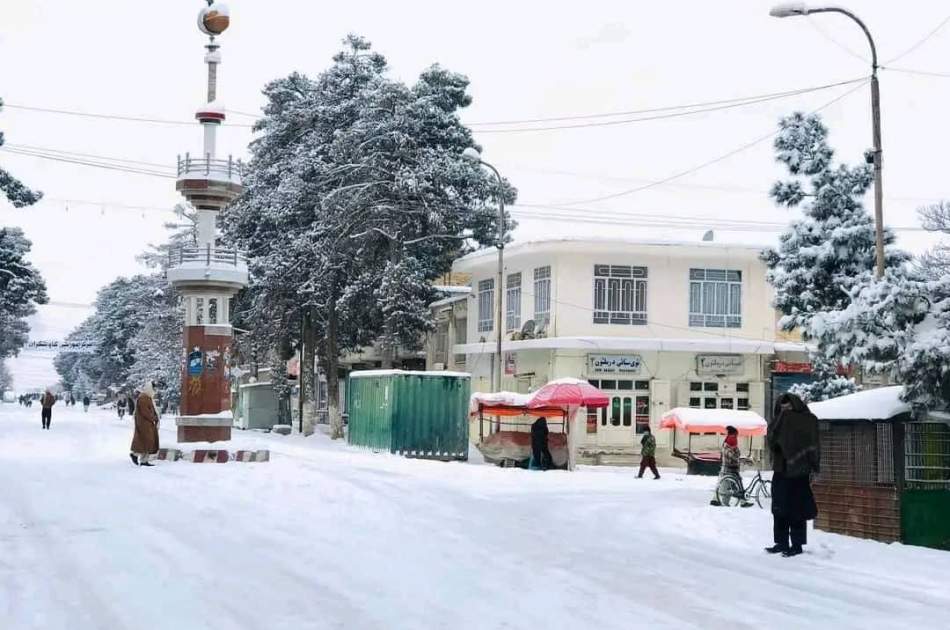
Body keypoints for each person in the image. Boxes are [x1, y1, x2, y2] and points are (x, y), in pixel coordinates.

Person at [766, 393, 820, 558]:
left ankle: (796, 545)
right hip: (781, 470)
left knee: (797, 510)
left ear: (795, 406)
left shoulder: (806, 420)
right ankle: (780, 542)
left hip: (799, 471)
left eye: (788, 408)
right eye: (782, 409)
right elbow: (772, 441)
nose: (785, 412)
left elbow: (813, 443)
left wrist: (813, 466)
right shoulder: (778, 421)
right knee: (779, 508)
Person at [710, 425, 753, 507]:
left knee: (730, 486)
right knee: (729, 486)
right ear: (733, 434)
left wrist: (741, 458)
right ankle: (717, 500)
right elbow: (733, 456)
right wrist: (742, 459)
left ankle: (718, 500)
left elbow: (735, 454)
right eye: (736, 434)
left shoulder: (730, 441)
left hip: (730, 468)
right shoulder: (729, 442)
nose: (736, 437)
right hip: (729, 468)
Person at [130, 382, 160, 467]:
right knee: (145, 441)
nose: (155, 391)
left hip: (148, 423)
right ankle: (135, 454)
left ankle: (144, 460)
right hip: (144, 424)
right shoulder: (143, 398)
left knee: (147, 442)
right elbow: (145, 412)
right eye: (153, 389)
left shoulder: (148, 397)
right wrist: (153, 418)